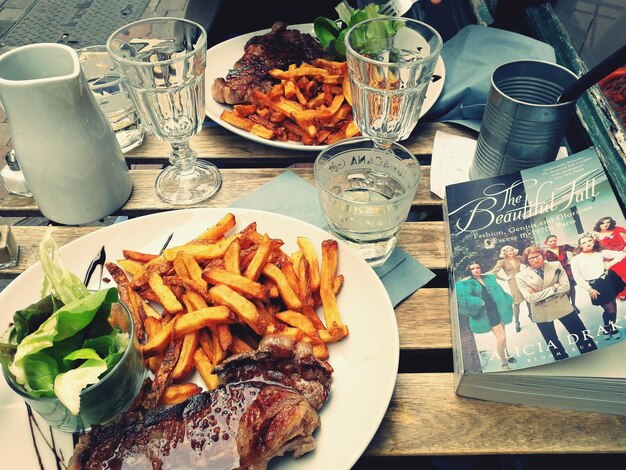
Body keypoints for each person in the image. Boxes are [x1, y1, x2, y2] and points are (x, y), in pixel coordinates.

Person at [516, 246, 597, 361]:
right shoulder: (520, 276)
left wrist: (540, 294)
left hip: (562, 305)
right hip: (541, 312)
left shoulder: (555, 265)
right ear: (526, 261)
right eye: (531, 258)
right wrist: (554, 287)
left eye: (537, 256)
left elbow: (566, 286)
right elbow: (531, 299)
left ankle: (592, 358)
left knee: (581, 335)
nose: (535, 260)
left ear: (543, 256)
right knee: (553, 343)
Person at [455, 262, 517, 370]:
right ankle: (504, 363)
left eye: (478, 267)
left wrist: (506, 299)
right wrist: (478, 302)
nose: (476, 270)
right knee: (501, 338)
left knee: (504, 335)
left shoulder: (489, 278)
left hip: (499, 309)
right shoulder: (467, 283)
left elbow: (499, 290)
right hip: (488, 313)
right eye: (473, 268)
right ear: (469, 271)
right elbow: (462, 299)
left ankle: (507, 354)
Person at [570, 233, 626, 339]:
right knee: (610, 310)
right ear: (580, 245)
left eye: (589, 241)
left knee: (613, 305)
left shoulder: (600, 253)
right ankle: (606, 327)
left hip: (608, 281)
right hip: (595, 286)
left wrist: (610, 263)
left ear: (594, 241)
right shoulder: (576, 260)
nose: (587, 244)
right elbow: (578, 278)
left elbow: (621, 254)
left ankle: (612, 327)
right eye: (584, 242)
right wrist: (589, 289)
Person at [488, 245, 524, 333]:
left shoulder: (518, 258)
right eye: (507, 251)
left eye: (511, 250)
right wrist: (504, 279)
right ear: (504, 253)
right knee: (516, 303)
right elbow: (493, 273)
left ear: (513, 250)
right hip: (513, 283)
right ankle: (517, 322)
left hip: (523, 280)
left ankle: (531, 315)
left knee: (528, 298)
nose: (510, 252)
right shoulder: (502, 262)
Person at [543, 234, 578, 311]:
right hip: (557, 273)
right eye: (551, 241)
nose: (553, 242)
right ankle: (568, 306)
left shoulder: (563, 247)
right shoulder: (546, 253)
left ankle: (574, 305)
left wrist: (573, 259)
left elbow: (577, 250)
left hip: (568, 270)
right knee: (564, 289)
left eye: (554, 240)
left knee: (572, 288)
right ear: (547, 243)